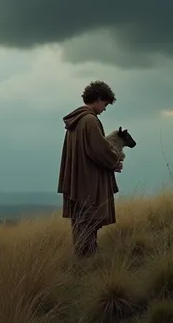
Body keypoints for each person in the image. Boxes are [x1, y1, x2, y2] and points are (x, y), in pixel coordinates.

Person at [57, 80, 123, 258]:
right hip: (89, 181)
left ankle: (84, 258)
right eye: (105, 104)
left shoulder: (76, 121)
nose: (105, 108)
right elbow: (99, 150)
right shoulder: (89, 120)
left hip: (77, 182)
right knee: (90, 219)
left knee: (81, 221)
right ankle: (88, 258)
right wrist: (115, 161)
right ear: (98, 99)